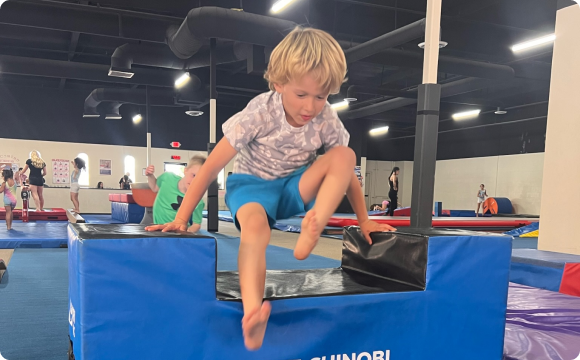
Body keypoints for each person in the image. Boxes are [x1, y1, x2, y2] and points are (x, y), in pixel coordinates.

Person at [146, 27, 395, 350]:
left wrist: (364, 221)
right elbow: (211, 167)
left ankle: (316, 220)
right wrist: (182, 217)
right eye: (301, 95)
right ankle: (253, 316)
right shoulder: (260, 112)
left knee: (345, 154)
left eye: (321, 96)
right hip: (250, 186)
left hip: (293, 187)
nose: (311, 107)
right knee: (255, 232)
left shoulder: (326, 118)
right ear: (279, 84)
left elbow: (347, 173)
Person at [145, 156, 206, 233]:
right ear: (185, 171)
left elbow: (196, 224)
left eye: (200, 179)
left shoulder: (198, 200)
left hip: (177, 233)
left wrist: (187, 232)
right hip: (158, 228)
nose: (195, 181)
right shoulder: (167, 178)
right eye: (193, 175)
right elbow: (154, 187)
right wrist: (150, 175)